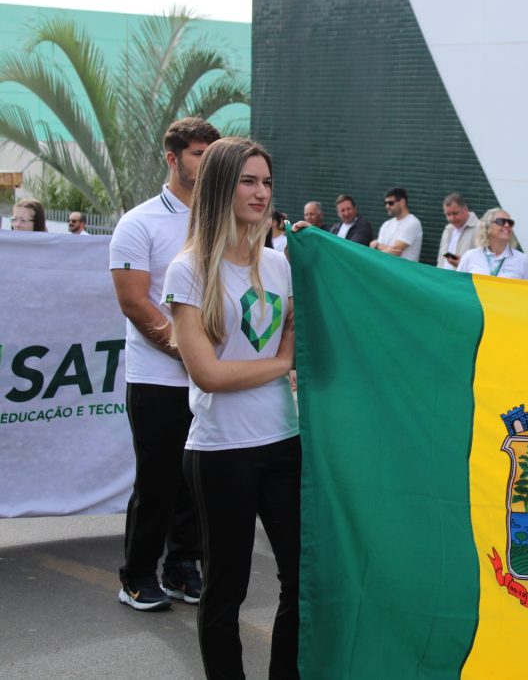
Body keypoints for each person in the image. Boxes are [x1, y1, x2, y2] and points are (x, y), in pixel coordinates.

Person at [163, 137, 299, 679]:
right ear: (222, 185)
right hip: (222, 451)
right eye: (248, 180)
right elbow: (209, 375)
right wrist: (283, 361)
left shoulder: (283, 265)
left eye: (267, 181)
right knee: (226, 589)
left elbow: (299, 350)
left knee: (301, 578)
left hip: (286, 443)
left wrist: (289, 359)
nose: (261, 192)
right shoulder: (188, 271)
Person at [109, 116, 220, 612]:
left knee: (197, 483)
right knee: (156, 484)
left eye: (212, 153)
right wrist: (189, 350)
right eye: (199, 153)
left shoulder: (224, 218)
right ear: (173, 158)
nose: (206, 161)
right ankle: (135, 577)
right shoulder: (139, 222)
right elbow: (136, 303)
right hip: (157, 379)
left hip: (212, 377)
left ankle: (182, 569)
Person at [456, 207, 528, 279]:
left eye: (510, 223)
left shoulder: (522, 260)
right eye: (501, 221)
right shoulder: (470, 256)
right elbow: (457, 284)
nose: (507, 225)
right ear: (488, 227)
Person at [370, 187, 422, 261]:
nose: (387, 206)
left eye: (391, 203)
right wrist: (386, 250)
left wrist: (377, 245)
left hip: (403, 271)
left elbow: (396, 251)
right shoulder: (386, 224)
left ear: (402, 202)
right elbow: (377, 253)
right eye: (385, 203)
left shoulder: (413, 222)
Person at [436, 193, 479, 270]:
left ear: (466, 209)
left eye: (455, 213)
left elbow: (483, 264)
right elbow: (441, 260)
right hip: (443, 279)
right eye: (448, 215)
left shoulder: (480, 229)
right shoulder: (448, 229)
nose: (452, 218)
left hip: (463, 280)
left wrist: (462, 265)